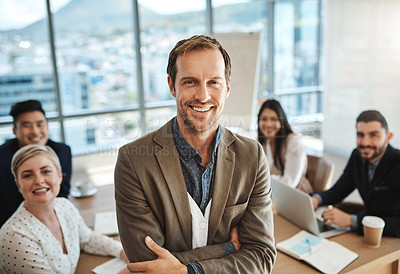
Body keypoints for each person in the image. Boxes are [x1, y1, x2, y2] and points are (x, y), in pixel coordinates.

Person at [114, 35, 276, 273]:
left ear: (227, 88)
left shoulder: (252, 156)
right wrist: (229, 248)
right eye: (190, 82)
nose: (203, 96)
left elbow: (261, 256)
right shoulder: (133, 161)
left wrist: (187, 271)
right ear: (172, 85)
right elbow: (147, 265)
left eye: (214, 82)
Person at [0, 144, 128, 273]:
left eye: (46, 171)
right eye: (27, 175)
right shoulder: (14, 237)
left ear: (60, 175)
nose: (39, 181)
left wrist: (122, 251)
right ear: (18, 185)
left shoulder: (64, 205)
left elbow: (87, 239)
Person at [311, 110, 400, 237]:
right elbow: (338, 191)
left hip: (391, 241)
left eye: (373, 135)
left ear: (388, 137)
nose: (365, 143)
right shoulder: (357, 156)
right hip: (365, 236)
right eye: (360, 135)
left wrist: (351, 221)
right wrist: (316, 199)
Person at [0, 100, 72, 227]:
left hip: (52, 219)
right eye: (27, 125)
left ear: (47, 126)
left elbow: (62, 194)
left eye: (40, 124)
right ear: (15, 131)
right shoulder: (2, 158)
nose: (35, 131)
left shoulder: (62, 151)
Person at [257, 99, 313, 193]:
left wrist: (262, 182)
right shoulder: (264, 142)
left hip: (296, 194)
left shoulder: (293, 142)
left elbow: (290, 183)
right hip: (272, 193)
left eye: (273, 119)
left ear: (282, 121)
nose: (268, 124)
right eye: (264, 119)